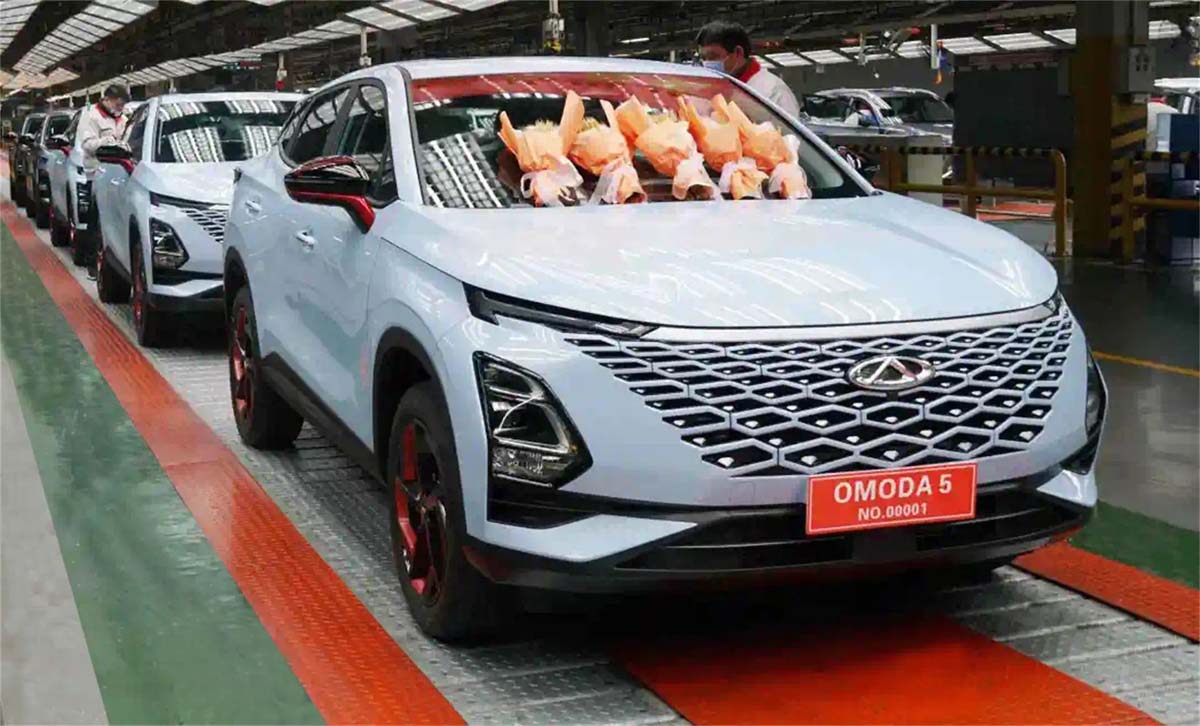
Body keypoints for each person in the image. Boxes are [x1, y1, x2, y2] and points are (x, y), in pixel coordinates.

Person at [695, 20, 801, 118]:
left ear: (738, 52)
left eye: (713, 56)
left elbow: (788, 132)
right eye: (703, 58)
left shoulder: (773, 92)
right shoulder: (711, 89)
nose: (707, 63)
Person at [77, 84, 129, 278]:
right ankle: (92, 264)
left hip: (120, 176)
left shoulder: (124, 118)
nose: (120, 108)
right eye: (118, 104)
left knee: (115, 220)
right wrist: (107, 143)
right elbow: (87, 145)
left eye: (122, 105)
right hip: (98, 175)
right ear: (107, 100)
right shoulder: (91, 117)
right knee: (96, 220)